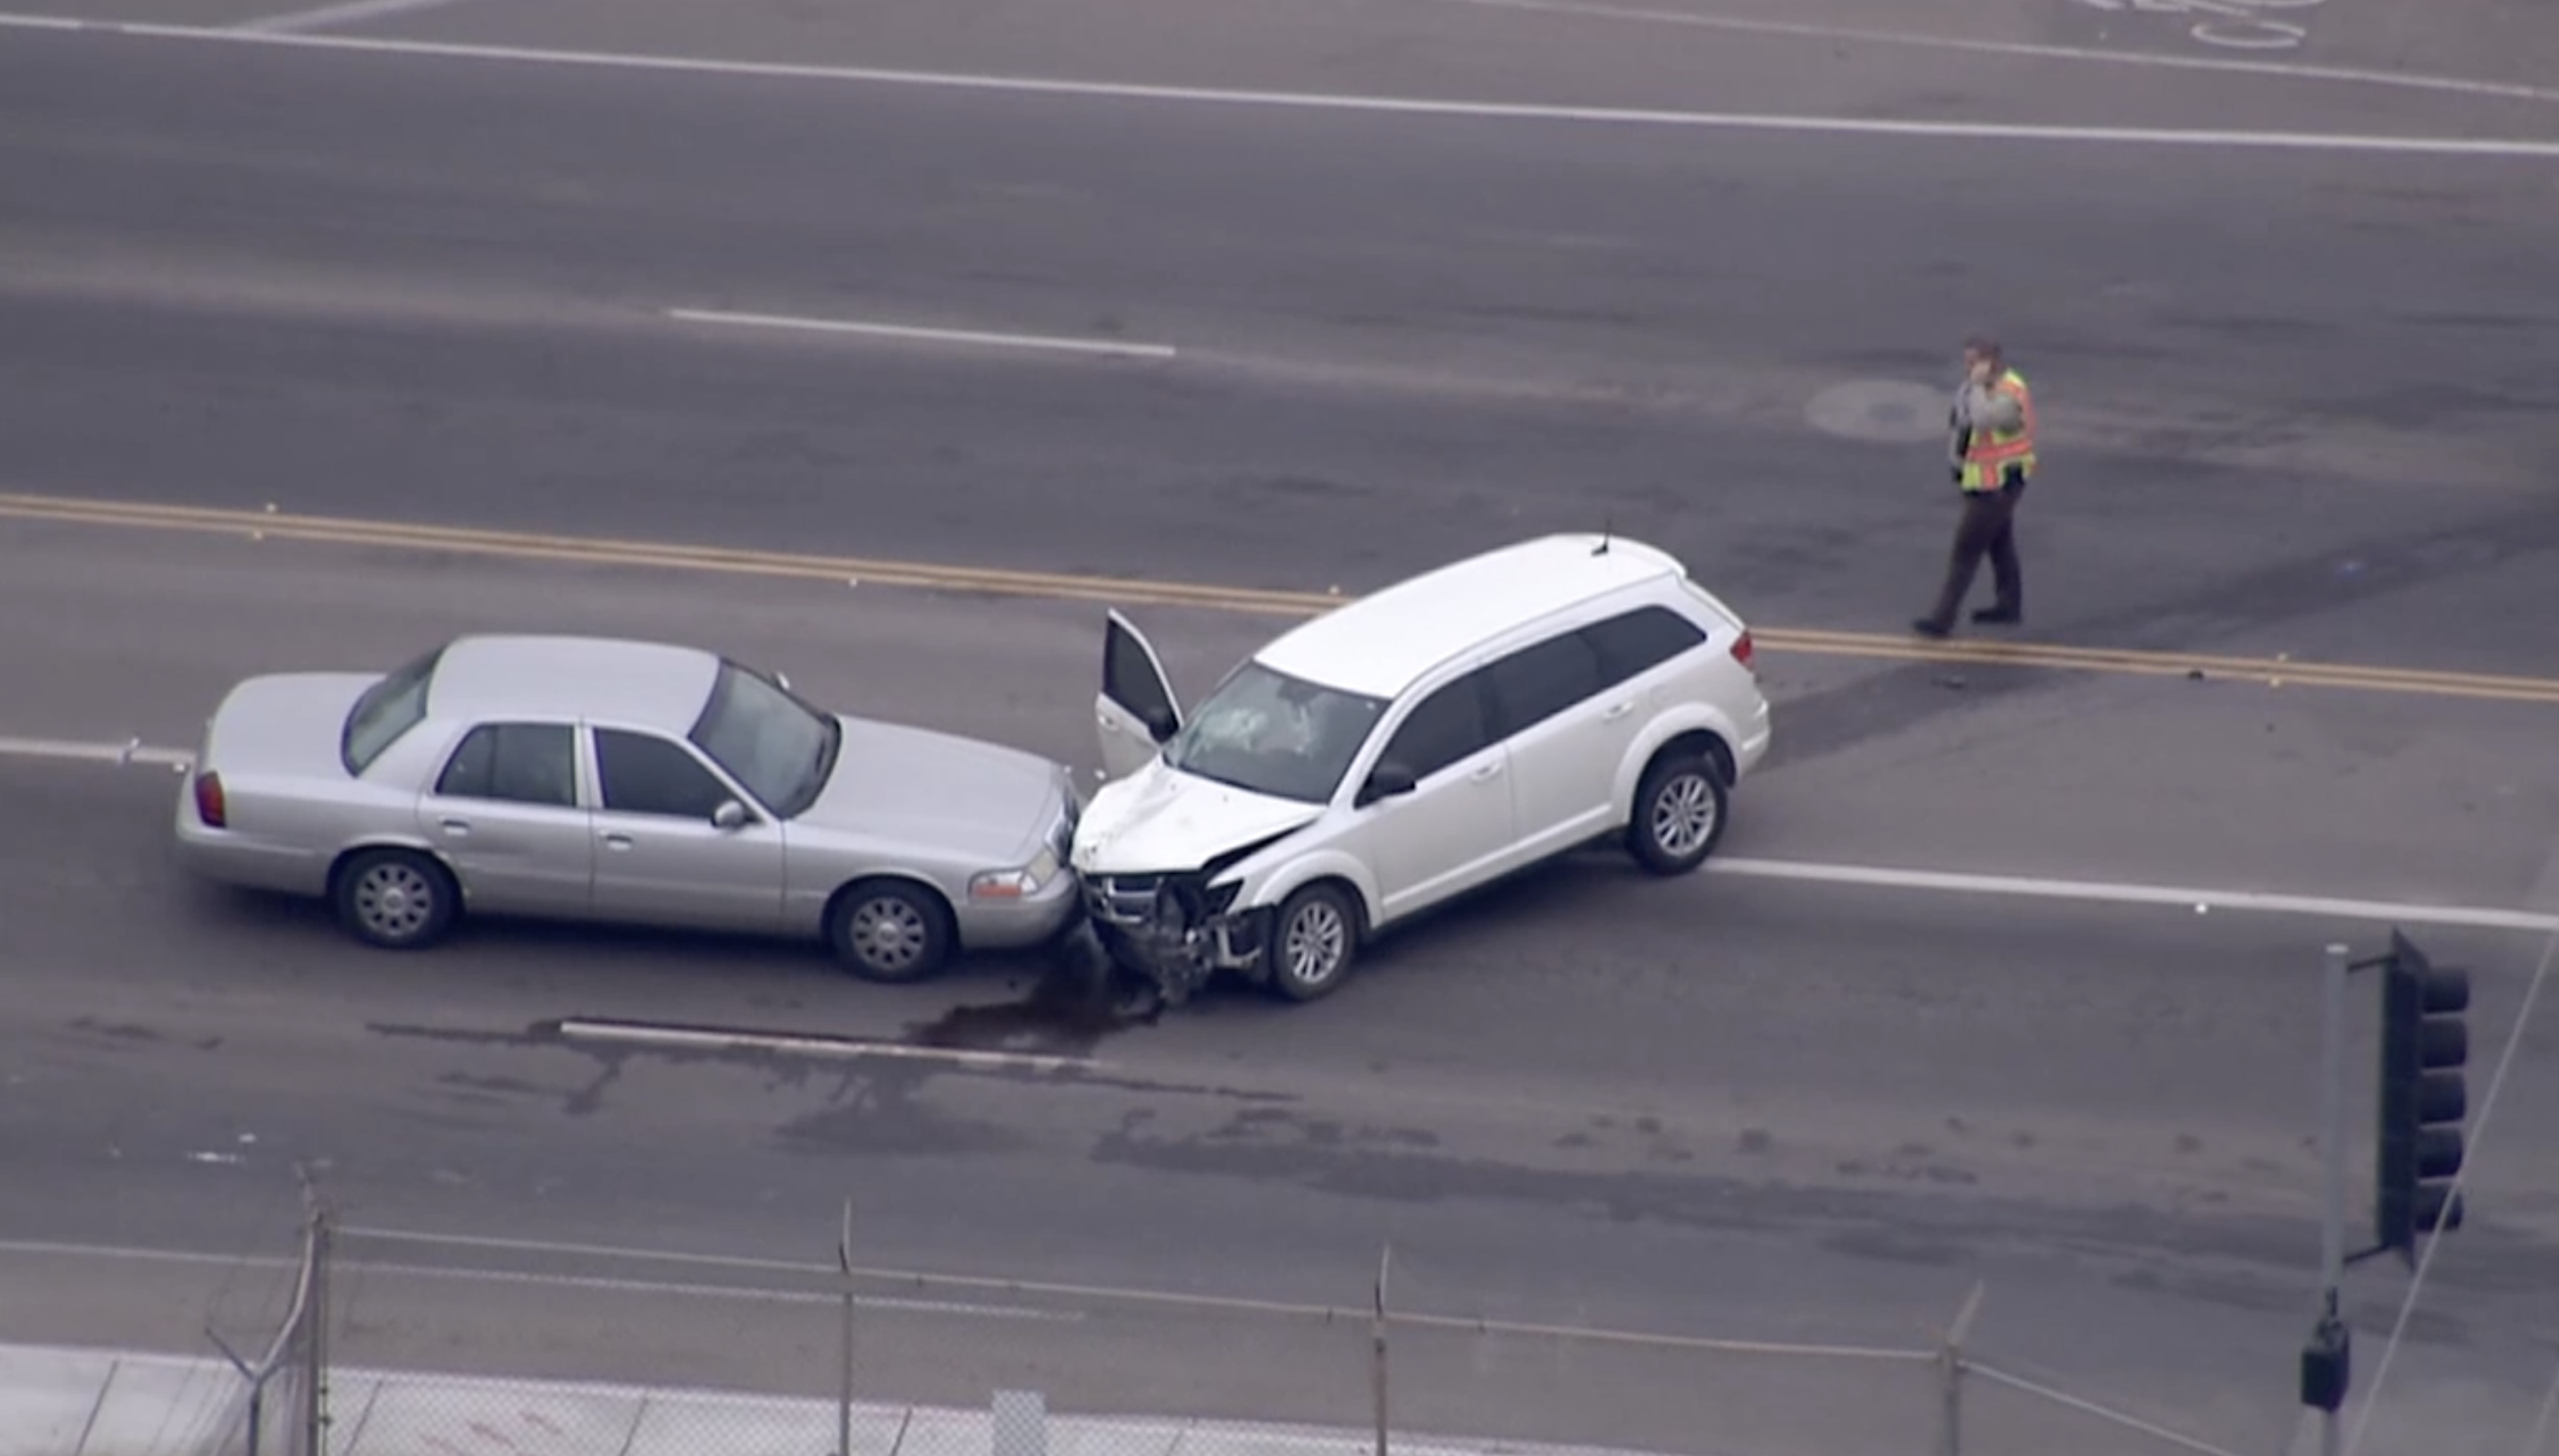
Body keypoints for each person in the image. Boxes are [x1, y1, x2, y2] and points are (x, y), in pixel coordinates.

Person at [1912, 335, 2036, 638]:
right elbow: (1960, 425)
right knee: (2000, 544)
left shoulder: (2008, 394)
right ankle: (2009, 605)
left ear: (1990, 363)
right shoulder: (1975, 389)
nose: (1967, 369)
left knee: (1964, 553)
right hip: (1986, 482)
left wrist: (1978, 386)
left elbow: (1982, 421)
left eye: (1973, 363)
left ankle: (1941, 619)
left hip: (1996, 487)